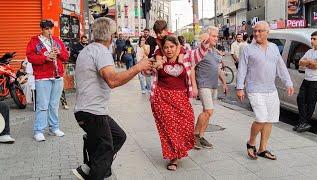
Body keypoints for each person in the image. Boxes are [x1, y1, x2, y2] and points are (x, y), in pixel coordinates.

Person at [72, 17, 153, 180]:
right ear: (110, 35)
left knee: (118, 136)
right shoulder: (101, 51)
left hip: (89, 111)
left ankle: (89, 168)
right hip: (92, 112)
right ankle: (95, 171)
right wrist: (138, 67)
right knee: (106, 149)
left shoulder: (87, 50)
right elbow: (113, 81)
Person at [148, 33, 209, 171]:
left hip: (181, 98)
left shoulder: (187, 57)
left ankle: (179, 149)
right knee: (169, 129)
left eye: (171, 47)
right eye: (166, 47)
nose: (169, 50)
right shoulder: (159, 60)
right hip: (161, 98)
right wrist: (152, 66)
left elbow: (200, 53)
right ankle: (173, 158)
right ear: (162, 49)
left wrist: (205, 42)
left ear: (177, 47)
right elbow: (145, 71)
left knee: (187, 125)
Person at [236, 21, 294, 160]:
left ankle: (262, 149)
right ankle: (251, 143)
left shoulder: (274, 47)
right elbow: (242, 68)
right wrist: (239, 87)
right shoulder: (248, 49)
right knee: (261, 118)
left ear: (267, 32)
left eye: (260, 31)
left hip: (271, 89)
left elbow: (280, 66)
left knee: (270, 120)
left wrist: (288, 83)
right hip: (254, 89)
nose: (256, 34)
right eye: (255, 31)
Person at [26, 19, 69, 142]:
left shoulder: (57, 41)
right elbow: (30, 57)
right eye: (46, 29)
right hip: (43, 77)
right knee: (42, 105)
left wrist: (59, 53)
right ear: (42, 29)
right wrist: (45, 57)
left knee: (54, 105)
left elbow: (66, 56)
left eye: (51, 28)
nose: (49, 31)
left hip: (57, 76)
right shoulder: (34, 41)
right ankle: (38, 130)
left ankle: (54, 127)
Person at [194, 26, 228, 149]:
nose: (216, 38)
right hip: (203, 84)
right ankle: (194, 135)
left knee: (207, 112)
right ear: (207, 36)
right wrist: (194, 86)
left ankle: (201, 136)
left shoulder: (214, 51)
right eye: (214, 36)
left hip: (213, 85)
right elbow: (192, 67)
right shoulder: (200, 50)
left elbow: (217, 68)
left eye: (217, 36)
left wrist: (224, 82)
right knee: (208, 111)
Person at [293, 31, 317, 132]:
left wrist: (308, 62)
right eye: (311, 39)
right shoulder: (309, 51)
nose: (312, 41)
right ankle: (302, 122)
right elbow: (300, 62)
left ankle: (304, 123)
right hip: (306, 79)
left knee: (310, 103)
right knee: (300, 100)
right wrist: (310, 62)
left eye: (314, 39)